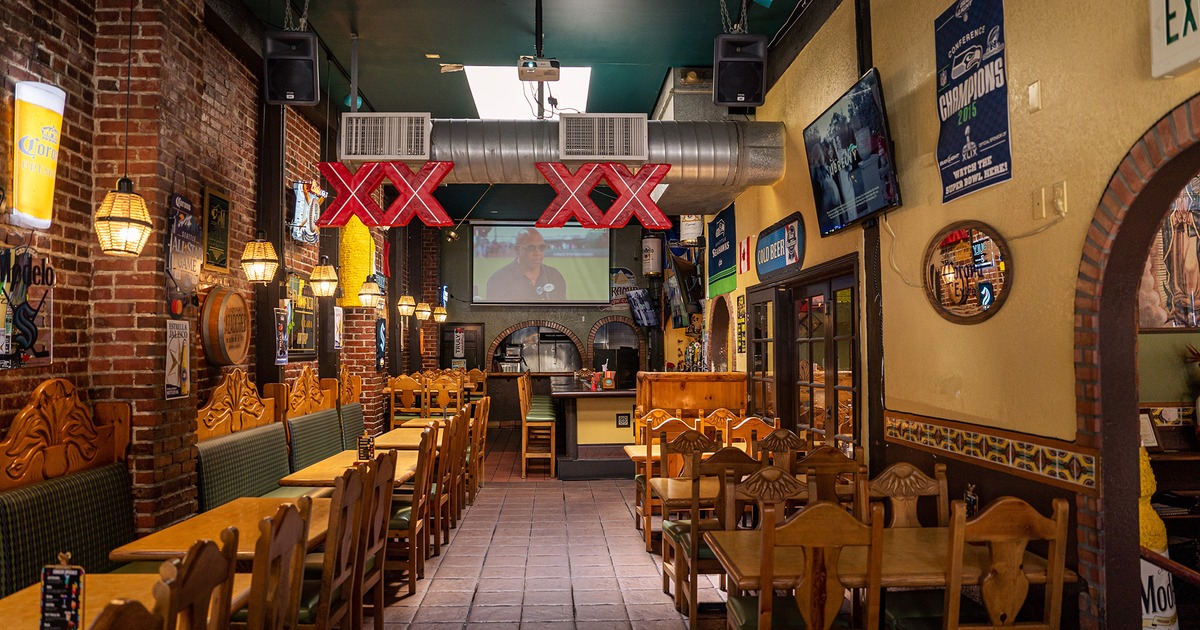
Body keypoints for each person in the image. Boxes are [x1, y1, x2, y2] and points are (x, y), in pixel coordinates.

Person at [485, 228, 567, 302]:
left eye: (541, 247)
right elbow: (494, 316)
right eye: (531, 248)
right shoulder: (499, 280)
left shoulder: (555, 276)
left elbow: (563, 313)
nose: (537, 253)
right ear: (517, 250)